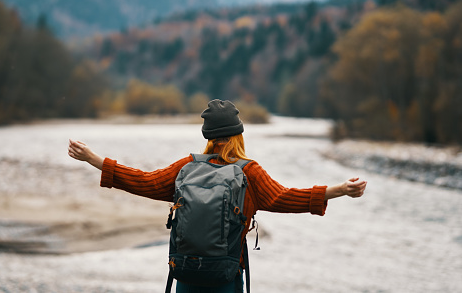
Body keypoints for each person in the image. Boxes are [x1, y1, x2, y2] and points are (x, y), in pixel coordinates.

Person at [68, 99, 367, 292]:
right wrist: (339, 189)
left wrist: (94, 159)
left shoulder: (186, 168)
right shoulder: (249, 172)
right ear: (238, 134)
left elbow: (143, 181)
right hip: (224, 277)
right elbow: (285, 198)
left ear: (208, 136)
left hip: (185, 273)